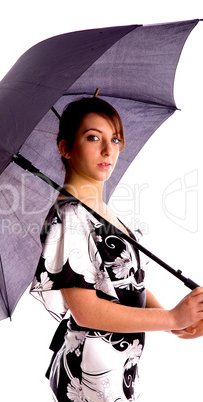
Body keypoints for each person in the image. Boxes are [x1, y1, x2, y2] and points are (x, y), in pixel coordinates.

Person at [30, 97, 203, 402]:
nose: (109, 150)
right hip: (93, 369)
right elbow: (86, 311)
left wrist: (174, 322)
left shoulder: (102, 211)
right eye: (93, 137)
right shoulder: (70, 216)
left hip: (119, 364)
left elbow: (125, 285)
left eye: (115, 138)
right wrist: (173, 318)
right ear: (65, 148)